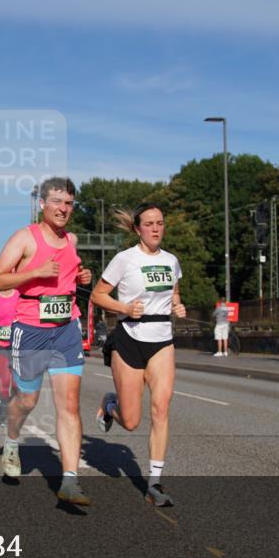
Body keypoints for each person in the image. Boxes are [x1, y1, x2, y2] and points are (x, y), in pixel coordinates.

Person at [0, 177, 92, 505]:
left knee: (70, 405)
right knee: (27, 400)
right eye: (57, 202)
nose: (63, 209)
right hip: (31, 330)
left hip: (67, 329)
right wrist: (34, 272)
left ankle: (70, 481)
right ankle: (12, 440)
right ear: (42, 204)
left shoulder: (72, 239)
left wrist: (82, 276)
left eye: (69, 203)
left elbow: (67, 275)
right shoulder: (24, 237)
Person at [91, 203, 185, 507]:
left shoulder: (171, 261)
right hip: (129, 338)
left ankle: (154, 484)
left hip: (162, 340)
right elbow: (97, 295)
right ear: (137, 228)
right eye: (149, 224)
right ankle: (109, 405)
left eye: (160, 223)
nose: (156, 228)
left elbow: (174, 293)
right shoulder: (124, 259)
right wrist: (124, 308)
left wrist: (177, 305)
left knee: (161, 408)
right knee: (131, 421)